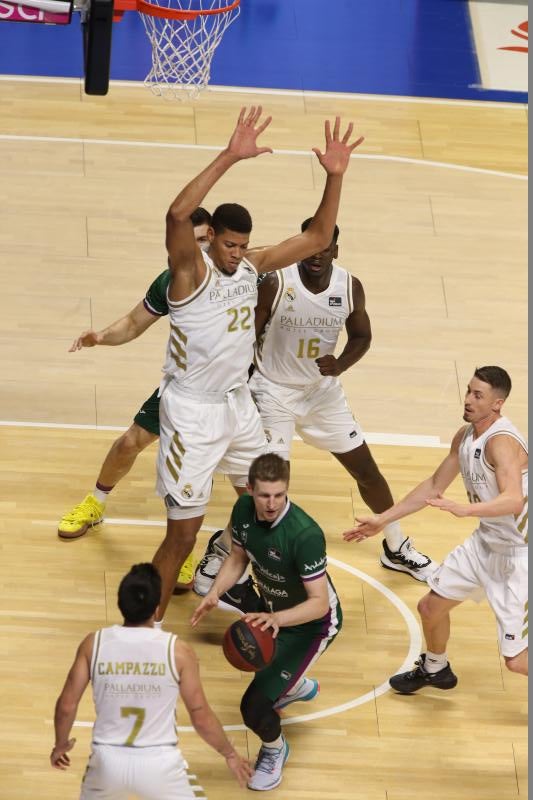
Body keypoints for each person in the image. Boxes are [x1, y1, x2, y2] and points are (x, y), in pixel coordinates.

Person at [153, 106, 363, 625]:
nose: (237, 254)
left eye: (243, 246)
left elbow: (316, 238)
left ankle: (239, 570)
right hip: (192, 415)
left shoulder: (250, 268)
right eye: (229, 244)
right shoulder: (187, 274)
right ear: (211, 239)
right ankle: (149, 629)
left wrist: (334, 176)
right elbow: (178, 215)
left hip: (237, 405)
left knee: (266, 497)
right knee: (180, 532)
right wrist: (229, 155)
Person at [195, 219, 434, 590]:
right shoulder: (277, 282)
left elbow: (362, 335)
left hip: (321, 393)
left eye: (325, 249)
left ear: (335, 249)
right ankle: (226, 546)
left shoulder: (349, 287)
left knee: (367, 472)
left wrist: (341, 363)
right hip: (273, 392)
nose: (317, 256)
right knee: (268, 487)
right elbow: (246, 337)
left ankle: (396, 544)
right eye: (311, 248)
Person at [344, 366, 528, 692]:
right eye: (469, 391)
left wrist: (466, 509)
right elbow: (433, 486)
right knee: (430, 607)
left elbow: (514, 500)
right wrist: (383, 519)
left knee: (516, 661)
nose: (468, 399)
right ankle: (435, 668)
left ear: (497, 404)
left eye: (478, 395)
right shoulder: (465, 436)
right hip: (487, 542)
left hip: (520, 555)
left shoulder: (500, 443)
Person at [56, 209, 212, 586]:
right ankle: (96, 502)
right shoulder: (172, 281)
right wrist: (101, 337)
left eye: (205, 239)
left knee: (209, 475)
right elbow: (132, 323)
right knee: (128, 443)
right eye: (192, 241)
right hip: (182, 386)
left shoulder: (238, 278)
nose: (198, 248)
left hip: (227, 394)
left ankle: (201, 549)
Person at [191, 453, 342, 791]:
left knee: (253, 708)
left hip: (311, 624)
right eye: (264, 495)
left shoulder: (304, 534)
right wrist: (215, 593)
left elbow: (319, 604)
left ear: (287, 490)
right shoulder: (243, 511)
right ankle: (295, 683)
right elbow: (238, 557)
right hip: (273, 611)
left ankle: (275, 749)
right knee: (259, 658)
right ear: (250, 490)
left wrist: (275, 618)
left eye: (279, 495)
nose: (272, 503)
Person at [50, 562, 252, 798]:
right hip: (160, 765)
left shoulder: (93, 644)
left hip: (107, 763)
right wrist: (230, 754)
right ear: (157, 608)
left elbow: (66, 706)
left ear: (120, 603)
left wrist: (60, 745)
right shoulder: (179, 652)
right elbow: (201, 717)